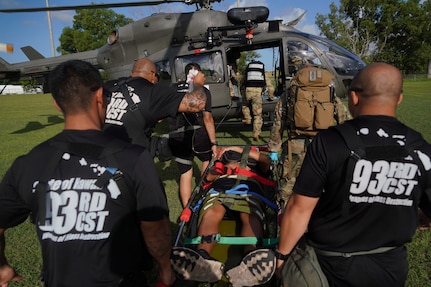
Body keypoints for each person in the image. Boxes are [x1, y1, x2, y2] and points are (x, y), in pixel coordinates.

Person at [0, 60, 176, 287]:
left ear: (56, 104)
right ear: (100, 96)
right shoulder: (135, 158)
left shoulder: (29, 163)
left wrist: (2, 266)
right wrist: (164, 268)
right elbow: (155, 229)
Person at [275, 63, 431, 287]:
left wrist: (282, 256)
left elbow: (300, 208)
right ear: (399, 99)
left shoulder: (329, 142)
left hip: (329, 266)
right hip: (389, 268)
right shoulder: (421, 148)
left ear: (354, 97)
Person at [171, 146, 276, 287]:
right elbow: (208, 177)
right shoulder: (223, 158)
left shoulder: (256, 158)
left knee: (249, 214)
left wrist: (239, 149)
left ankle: (251, 259)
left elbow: (265, 160)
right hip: (222, 184)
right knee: (212, 212)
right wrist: (222, 167)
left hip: (248, 185)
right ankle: (202, 257)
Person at [268, 65, 352, 203]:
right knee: (327, 185)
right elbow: (345, 119)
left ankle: (283, 215)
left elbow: (279, 122)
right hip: (325, 147)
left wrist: (274, 148)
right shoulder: (329, 93)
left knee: (288, 187)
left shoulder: (291, 93)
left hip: (296, 147)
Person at [103, 58, 207, 149]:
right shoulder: (154, 92)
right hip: (131, 158)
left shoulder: (109, 86)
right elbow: (197, 103)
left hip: (97, 152)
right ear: (153, 75)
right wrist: (197, 84)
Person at [168, 63, 218, 208]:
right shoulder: (201, 90)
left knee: (185, 173)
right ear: (199, 73)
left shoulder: (173, 88)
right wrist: (213, 142)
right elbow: (207, 118)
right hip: (199, 134)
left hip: (176, 135)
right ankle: (203, 194)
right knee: (206, 159)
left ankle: (186, 209)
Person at [242, 60, 266, 141]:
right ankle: (256, 132)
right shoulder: (261, 67)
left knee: (245, 104)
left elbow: (244, 80)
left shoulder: (248, 67)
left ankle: (247, 118)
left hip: (248, 90)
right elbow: (265, 80)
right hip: (257, 91)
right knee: (257, 115)